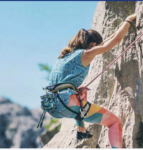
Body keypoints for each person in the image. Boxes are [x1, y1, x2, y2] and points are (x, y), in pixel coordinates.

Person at [46, 14, 136, 148]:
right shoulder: (85, 54)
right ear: (93, 45)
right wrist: (128, 20)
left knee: (80, 95)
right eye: (96, 47)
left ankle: (81, 130)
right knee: (114, 122)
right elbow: (115, 40)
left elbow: (105, 42)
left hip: (52, 106)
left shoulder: (63, 57)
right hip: (67, 103)